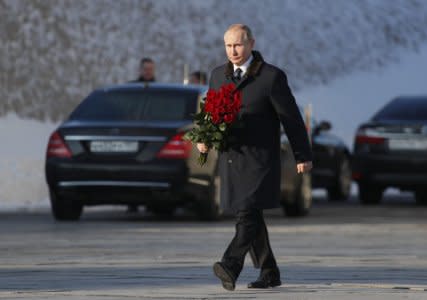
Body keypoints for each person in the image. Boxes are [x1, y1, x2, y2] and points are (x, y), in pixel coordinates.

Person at [196, 24, 313, 291]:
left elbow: (291, 118)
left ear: (250, 44)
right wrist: (203, 138)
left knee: (247, 213)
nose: (233, 51)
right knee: (250, 214)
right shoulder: (217, 76)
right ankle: (270, 272)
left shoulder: (271, 77)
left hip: (261, 159)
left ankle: (230, 263)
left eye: (237, 45)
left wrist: (302, 154)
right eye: (228, 46)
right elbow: (210, 114)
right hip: (231, 157)